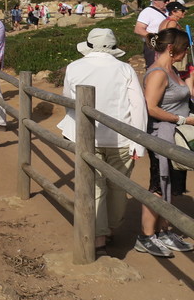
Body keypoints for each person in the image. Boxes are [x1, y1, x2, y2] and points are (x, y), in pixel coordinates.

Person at [57, 28, 147, 257]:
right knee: (118, 186)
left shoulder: (75, 67)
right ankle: (108, 229)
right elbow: (138, 105)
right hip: (122, 139)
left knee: (95, 187)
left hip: (88, 138)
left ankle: (98, 238)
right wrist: (139, 142)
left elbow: (68, 102)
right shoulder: (125, 69)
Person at [136, 28, 194, 257]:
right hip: (163, 134)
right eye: (184, 48)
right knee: (158, 183)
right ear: (171, 48)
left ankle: (163, 230)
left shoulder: (172, 70)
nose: (186, 52)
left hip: (175, 135)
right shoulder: (158, 72)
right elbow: (151, 107)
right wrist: (183, 118)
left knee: (169, 182)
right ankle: (146, 236)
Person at [135, 0, 172, 67]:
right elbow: (138, 29)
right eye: (165, 1)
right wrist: (156, 37)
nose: (167, 2)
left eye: (168, 0)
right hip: (153, 46)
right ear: (156, 1)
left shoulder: (168, 11)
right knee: (155, 69)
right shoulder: (147, 12)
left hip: (167, 46)